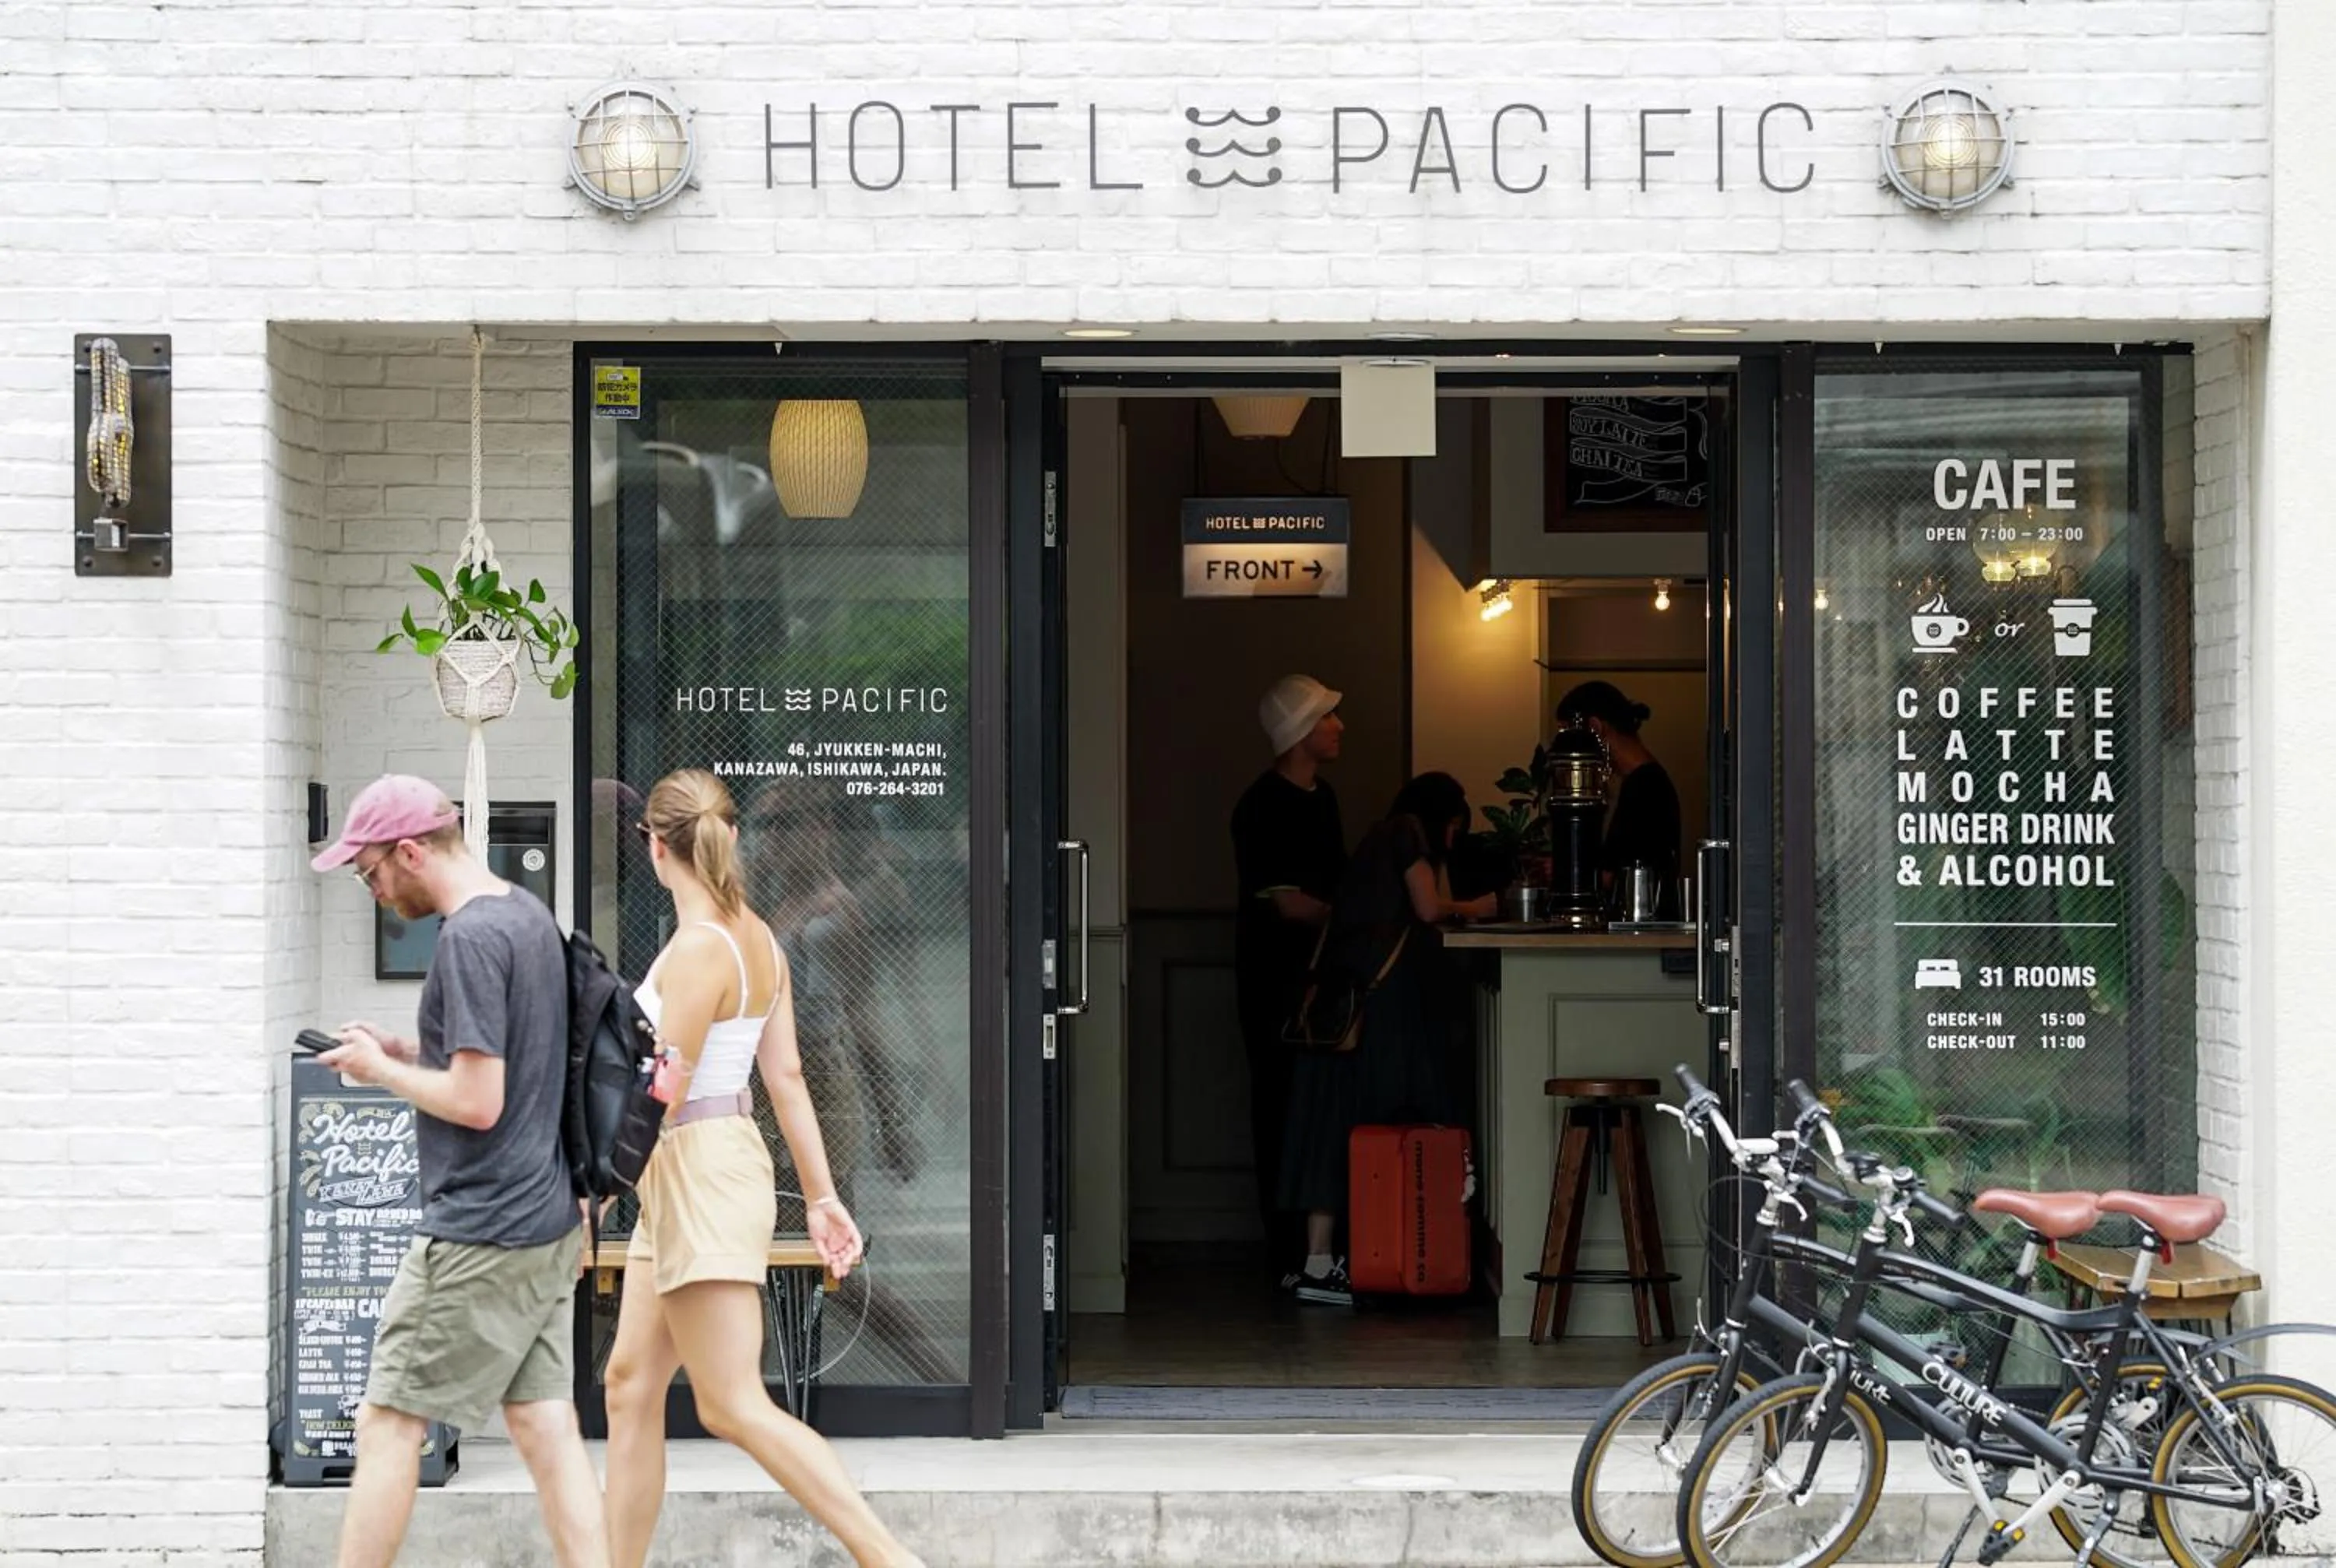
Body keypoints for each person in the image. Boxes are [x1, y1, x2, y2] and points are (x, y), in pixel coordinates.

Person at [601, 769, 923, 1568]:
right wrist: (819, 1196)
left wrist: (596, 1184)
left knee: (732, 1403)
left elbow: (661, 1091)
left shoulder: (699, 950)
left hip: (696, 1170)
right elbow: (784, 1079)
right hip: (703, 1169)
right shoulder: (755, 937)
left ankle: (889, 1558)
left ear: (654, 847)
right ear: (730, 837)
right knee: (630, 1385)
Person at [310, 776, 608, 1568]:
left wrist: (380, 1074)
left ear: (410, 851)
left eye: (370, 870)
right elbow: (515, 1059)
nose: (371, 888)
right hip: (543, 1218)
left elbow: (478, 1101)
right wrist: (410, 1051)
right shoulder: (525, 914)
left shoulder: (469, 939)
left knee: (388, 1423)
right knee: (546, 1425)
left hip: (481, 1230)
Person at [1277, 772, 1496, 1307]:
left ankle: (1319, 1260)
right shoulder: (1407, 832)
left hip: (1342, 1004)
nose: (1454, 835)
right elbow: (1427, 907)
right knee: (1402, 1116)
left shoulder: (1377, 839)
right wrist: (1483, 906)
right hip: (1382, 1007)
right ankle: (1400, 1255)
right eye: (1453, 824)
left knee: (1332, 1121)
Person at [1229, 673, 1349, 1290]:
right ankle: (1288, 1256)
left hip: (1319, 979)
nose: (1339, 727)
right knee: (1281, 1108)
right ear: (1300, 730)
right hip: (1276, 983)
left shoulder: (1322, 798)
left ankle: (1316, 1252)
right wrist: (1347, 916)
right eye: (1328, 717)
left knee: (1318, 1108)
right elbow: (1286, 904)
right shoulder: (1260, 806)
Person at [1555, 680, 1683, 907]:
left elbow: (1625, 876)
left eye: (1569, 736)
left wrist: (1567, 870)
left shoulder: (1646, 787)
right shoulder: (1644, 782)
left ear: (1595, 728)